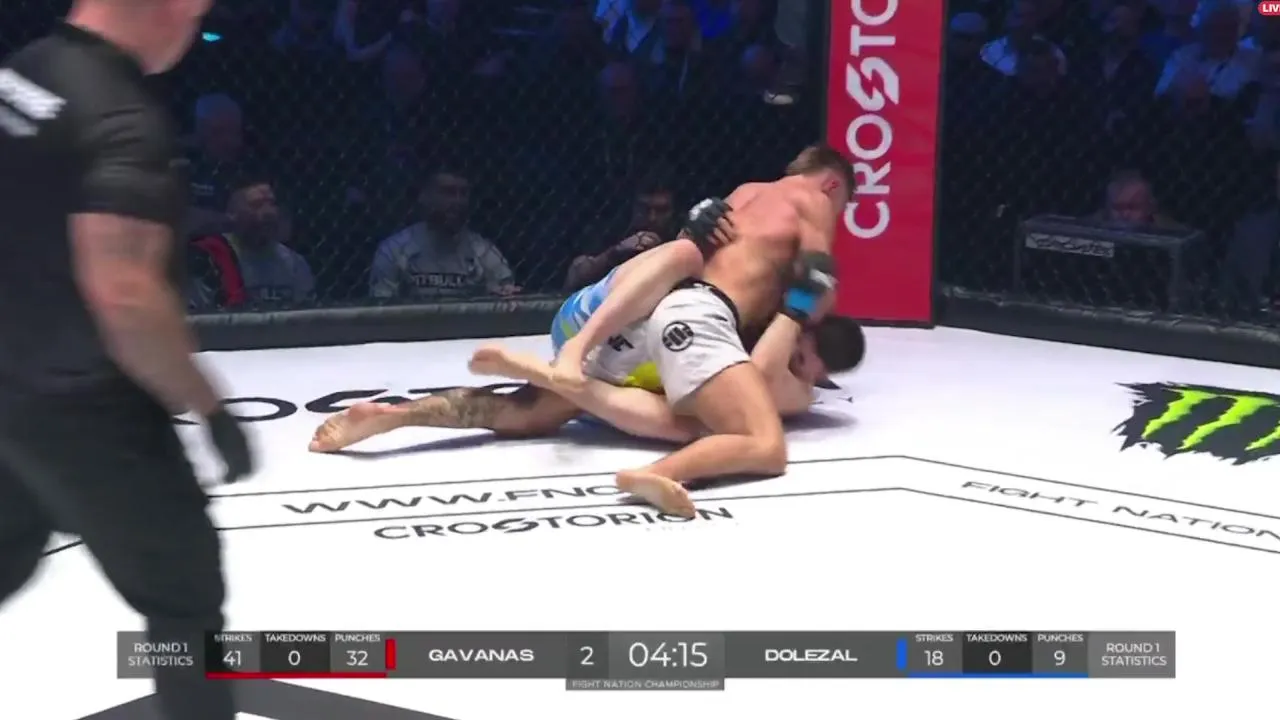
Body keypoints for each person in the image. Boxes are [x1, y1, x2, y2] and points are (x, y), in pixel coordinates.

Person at [311, 145, 856, 511]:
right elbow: (818, 276)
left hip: (627, 321)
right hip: (670, 316)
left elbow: (702, 252)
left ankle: (398, 416)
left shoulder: (746, 194)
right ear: (832, 184)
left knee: (534, 412)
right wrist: (802, 305)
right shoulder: (812, 198)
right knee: (752, 437)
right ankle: (656, 465)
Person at [0, 2, 254, 720]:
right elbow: (125, 297)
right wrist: (210, 406)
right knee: (184, 598)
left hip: (9, 381)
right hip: (84, 408)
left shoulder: (22, 72)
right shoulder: (120, 118)